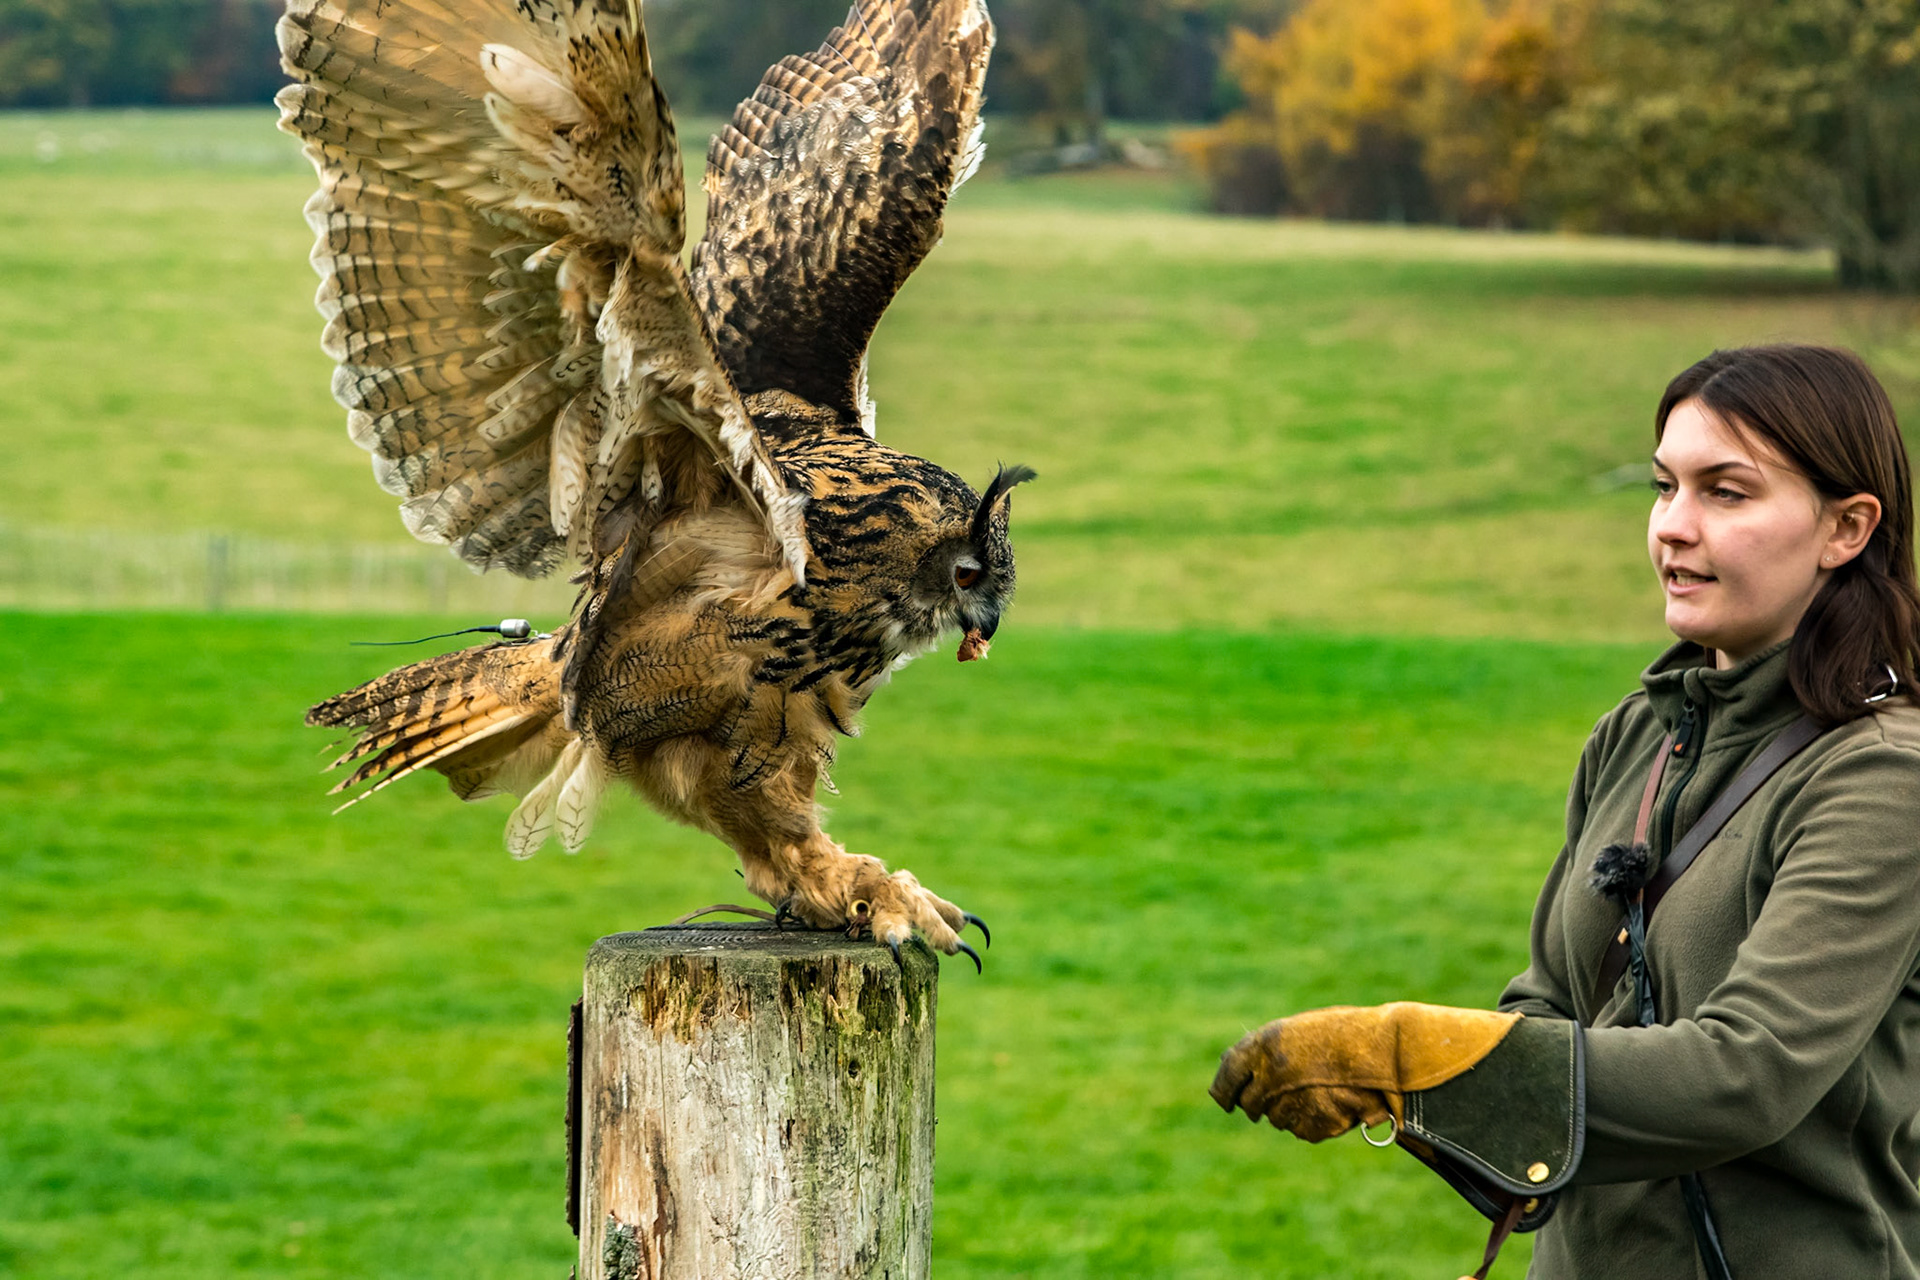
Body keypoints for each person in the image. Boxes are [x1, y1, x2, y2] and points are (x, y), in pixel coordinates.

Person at [1209, 344, 1920, 1278]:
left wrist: (1402, 1054)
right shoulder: (1637, 738)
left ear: (1848, 527)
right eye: (1665, 487)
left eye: (1727, 493)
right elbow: (1547, 1001)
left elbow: (1746, 1075)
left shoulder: (1882, 782)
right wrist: (1438, 1094)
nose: (1674, 527)